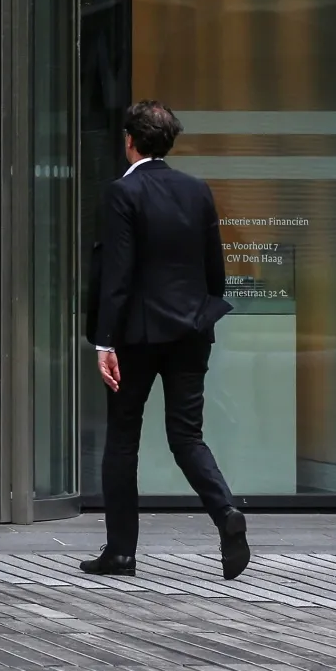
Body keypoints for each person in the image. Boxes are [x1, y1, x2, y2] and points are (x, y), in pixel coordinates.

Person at [82, 100, 247, 581]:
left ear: (129, 140)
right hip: (191, 332)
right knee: (187, 436)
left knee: (122, 440)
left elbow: (117, 274)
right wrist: (201, 313)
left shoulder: (122, 193)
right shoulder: (197, 191)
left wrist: (103, 341)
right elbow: (215, 271)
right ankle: (226, 514)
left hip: (136, 336)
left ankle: (121, 552)